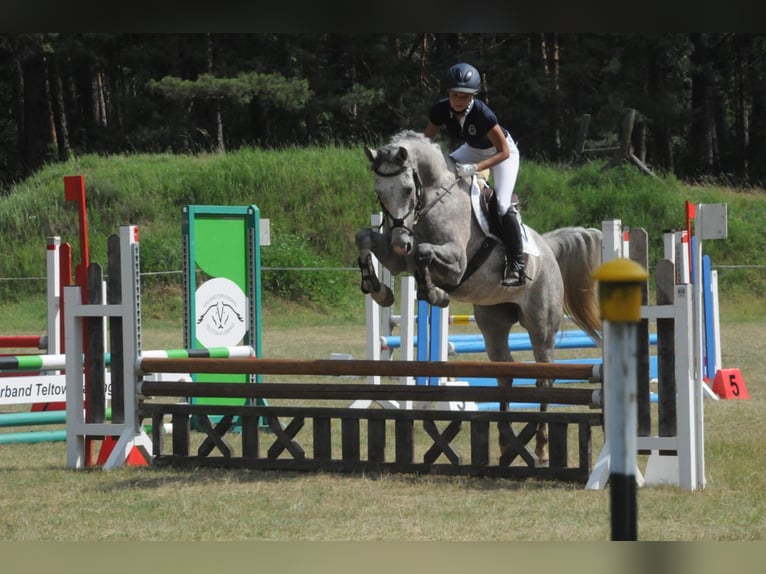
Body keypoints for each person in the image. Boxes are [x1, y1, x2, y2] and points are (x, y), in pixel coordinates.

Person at [424, 62, 526, 287]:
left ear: (473, 97)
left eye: (465, 96)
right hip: (472, 149)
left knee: (501, 204)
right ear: (448, 94)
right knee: (443, 173)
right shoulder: (439, 111)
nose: (459, 100)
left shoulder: (483, 114)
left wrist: (477, 168)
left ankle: (517, 264)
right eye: (455, 95)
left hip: (502, 154)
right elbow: (426, 143)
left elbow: (504, 151)